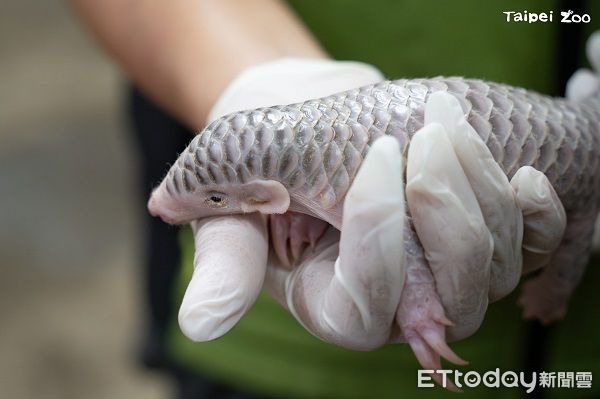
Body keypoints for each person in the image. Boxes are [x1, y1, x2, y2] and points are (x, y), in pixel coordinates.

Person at [69, 1, 600, 398]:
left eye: (214, 199)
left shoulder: (329, 185)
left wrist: (419, 312)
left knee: (573, 219)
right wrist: (244, 71)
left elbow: (406, 243)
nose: (162, 207)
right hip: (289, 365)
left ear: (265, 195)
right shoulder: (312, 183)